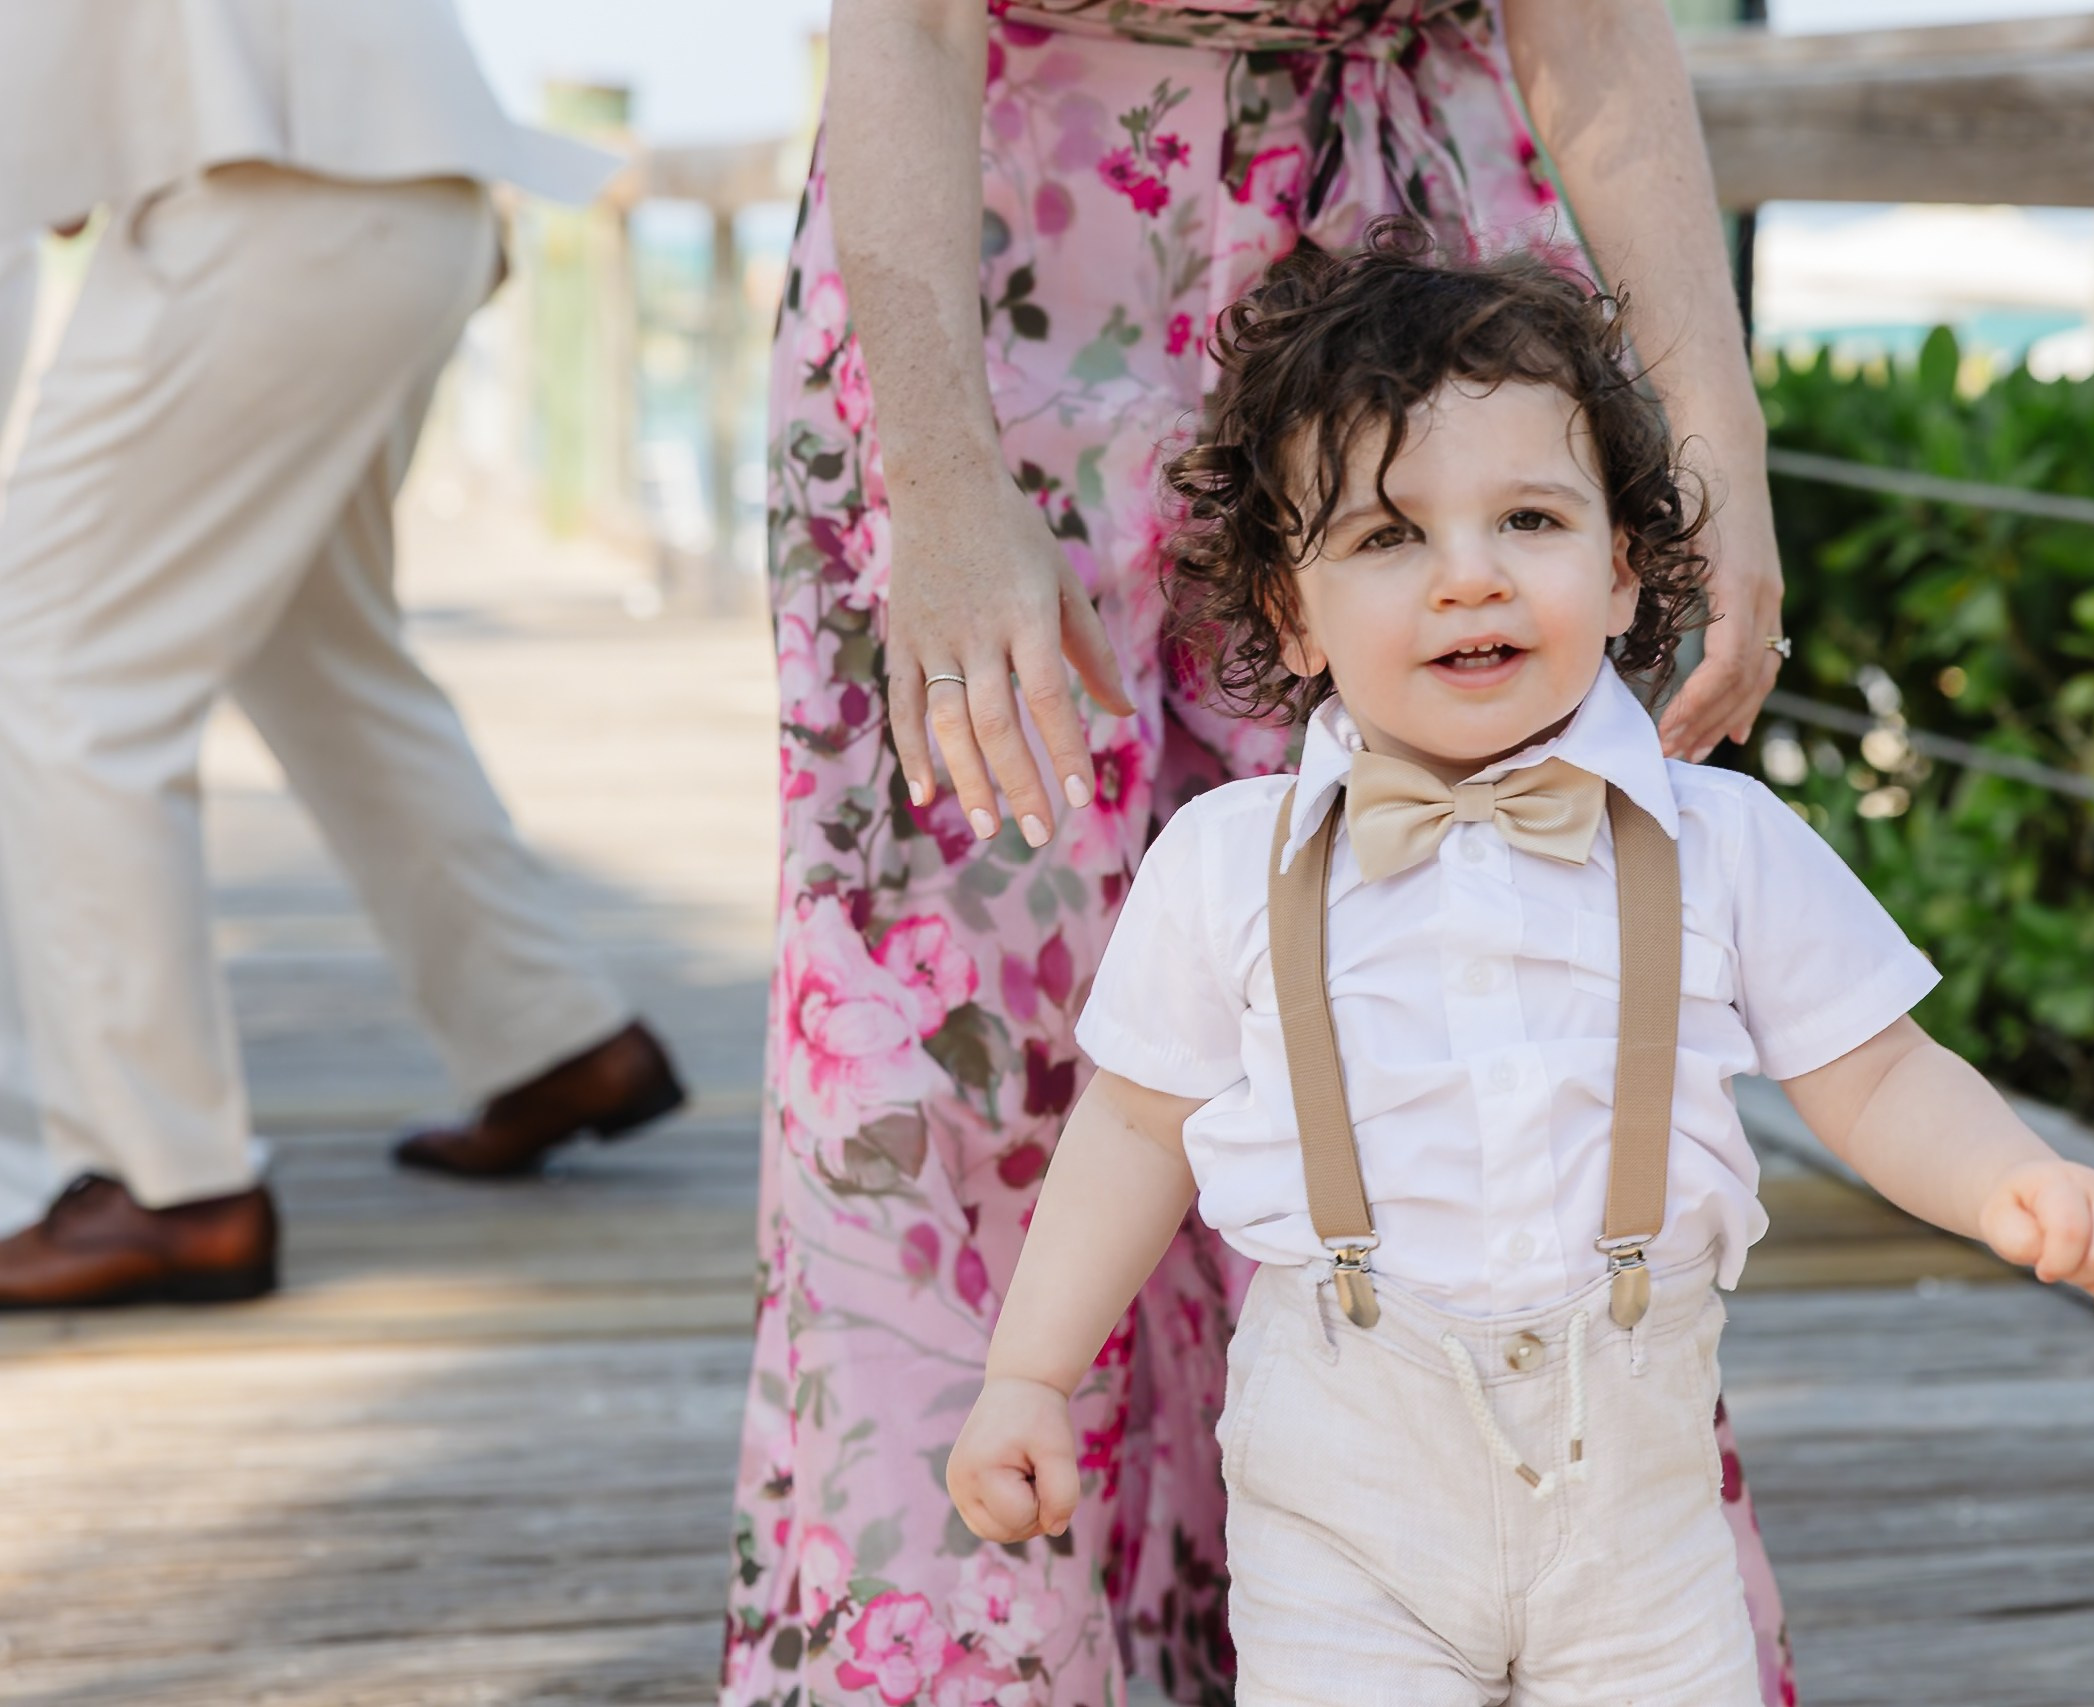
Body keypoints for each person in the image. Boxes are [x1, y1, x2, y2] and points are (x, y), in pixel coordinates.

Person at [732, 4, 1799, 1702]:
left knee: (1482, 1005)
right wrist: (935, 477)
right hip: (994, 249)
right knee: (960, 1062)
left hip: (1416, 275)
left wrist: (1713, 433)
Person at [947, 233, 2094, 1703]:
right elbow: (1137, 1129)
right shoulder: (1225, 863)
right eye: (1390, 538)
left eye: (1528, 519)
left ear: (1623, 567)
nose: (1469, 580)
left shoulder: (1719, 840)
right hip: (1347, 1517)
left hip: (1638, 1530)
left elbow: (1877, 1068)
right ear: (1291, 611)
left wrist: (2007, 1183)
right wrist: (1031, 1373)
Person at [0, 0, 687, 1309]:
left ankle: (162, 1182)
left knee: (52, 671)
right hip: (409, 197)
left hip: (265, 206)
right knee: (319, 648)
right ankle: (549, 1034)